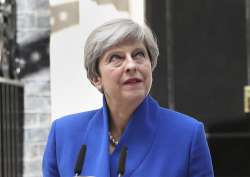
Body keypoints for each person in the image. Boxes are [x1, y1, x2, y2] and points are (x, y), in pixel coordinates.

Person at [43, 18, 214, 177]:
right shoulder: (64, 134)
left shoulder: (188, 135)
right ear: (96, 78)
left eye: (139, 54)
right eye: (115, 58)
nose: (131, 65)